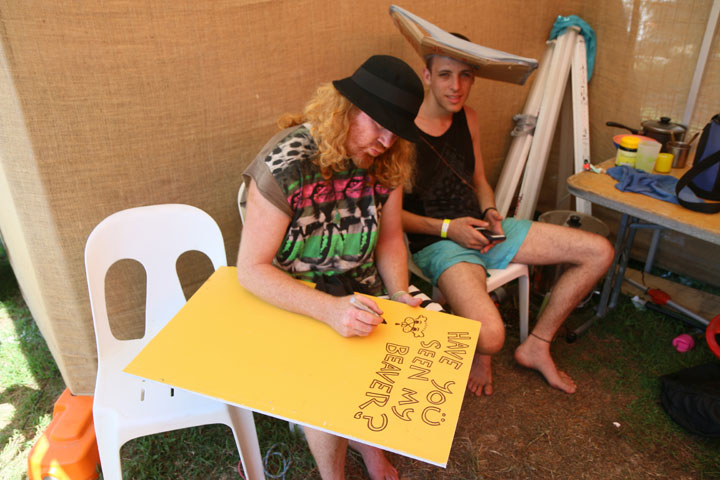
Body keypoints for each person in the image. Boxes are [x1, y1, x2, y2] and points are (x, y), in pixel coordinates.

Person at [237, 55, 436, 480]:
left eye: (395, 131)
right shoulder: (286, 162)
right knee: (326, 380)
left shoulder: (388, 161)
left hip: (359, 289)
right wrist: (329, 310)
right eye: (378, 123)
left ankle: (370, 449)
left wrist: (399, 294)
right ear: (345, 111)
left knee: (395, 357)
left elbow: (388, 238)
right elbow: (251, 269)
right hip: (293, 295)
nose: (386, 141)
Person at [402, 45, 614, 397]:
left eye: (465, 75)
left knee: (599, 251)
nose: (456, 86)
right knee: (491, 337)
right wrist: (449, 229)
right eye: (444, 75)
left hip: (484, 230)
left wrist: (490, 212)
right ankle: (482, 340)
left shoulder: (467, 116)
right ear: (427, 76)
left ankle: (537, 345)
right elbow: (392, 218)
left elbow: (480, 179)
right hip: (439, 242)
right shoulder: (402, 130)